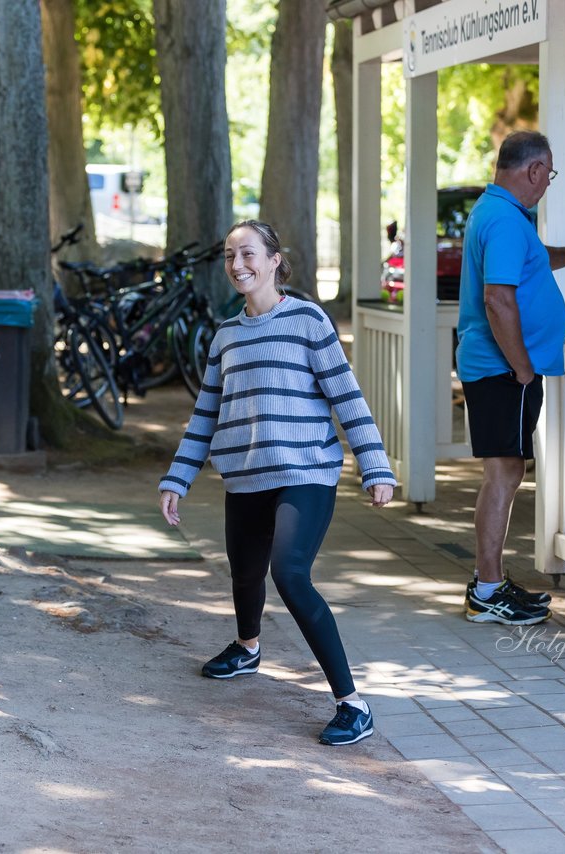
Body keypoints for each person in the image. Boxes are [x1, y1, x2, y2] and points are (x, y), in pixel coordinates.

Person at [158, 220, 396, 746]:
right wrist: (178, 477)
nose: (237, 264)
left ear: (273, 260)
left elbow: (346, 398)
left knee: (288, 573)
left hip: (305, 473)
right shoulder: (225, 335)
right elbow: (205, 415)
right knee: (245, 575)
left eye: (248, 254)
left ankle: (352, 703)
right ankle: (247, 649)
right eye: (229, 256)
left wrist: (374, 466)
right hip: (244, 477)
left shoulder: (308, 321)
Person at [457, 130, 565, 625]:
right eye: (549, 174)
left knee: (506, 471)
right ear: (533, 170)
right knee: (503, 473)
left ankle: (490, 583)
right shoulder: (503, 220)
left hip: (502, 369)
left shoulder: (500, 213)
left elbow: (530, 261)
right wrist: (523, 366)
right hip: (505, 370)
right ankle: (486, 590)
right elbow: (497, 300)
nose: (548, 184)